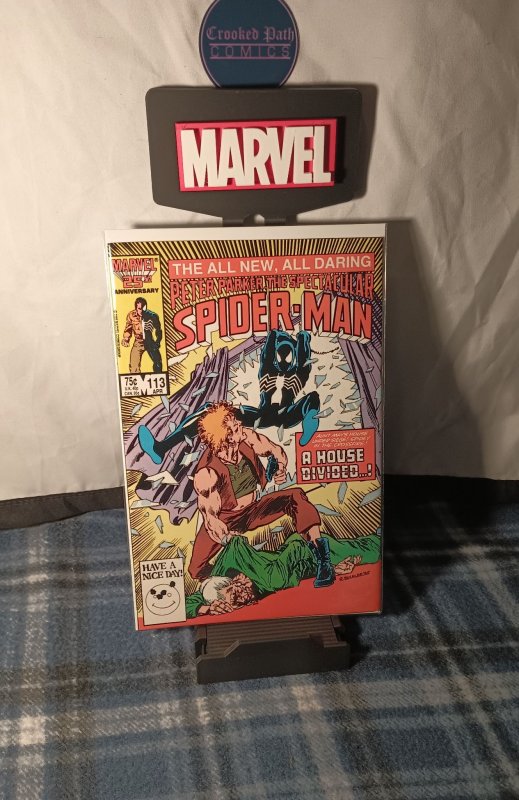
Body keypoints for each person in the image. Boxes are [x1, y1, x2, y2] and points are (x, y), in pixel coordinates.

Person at [189, 401, 336, 588]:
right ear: (226, 438)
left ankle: (323, 560)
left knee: (295, 496)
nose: (240, 425)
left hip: (254, 509)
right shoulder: (206, 473)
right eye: (235, 427)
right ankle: (233, 579)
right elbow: (211, 519)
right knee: (196, 569)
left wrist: (280, 467)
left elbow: (276, 450)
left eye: (236, 422)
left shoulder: (247, 437)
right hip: (227, 520)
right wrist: (226, 538)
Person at [185, 530, 381, 617]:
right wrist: (205, 609)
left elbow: (297, 548)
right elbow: (184, 603)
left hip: (308, 549)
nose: (243, 596)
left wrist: (326, 565)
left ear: (233, 581)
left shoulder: (271, 576)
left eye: (235, 592)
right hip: (299, 564)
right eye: (236, 601)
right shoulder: (212, 590)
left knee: (371, 551)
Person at [122, 297, 162, 373]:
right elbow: (128, 329)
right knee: (133, 366)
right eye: (140, 309)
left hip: (150, 341)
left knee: (158, 363)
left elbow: (158, 330)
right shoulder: (131, 315)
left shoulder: (152, 315)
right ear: (136, 308)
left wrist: (157, 341)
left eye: (144, 308)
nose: (142, 311)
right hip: (138, 342)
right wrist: (126, 339)